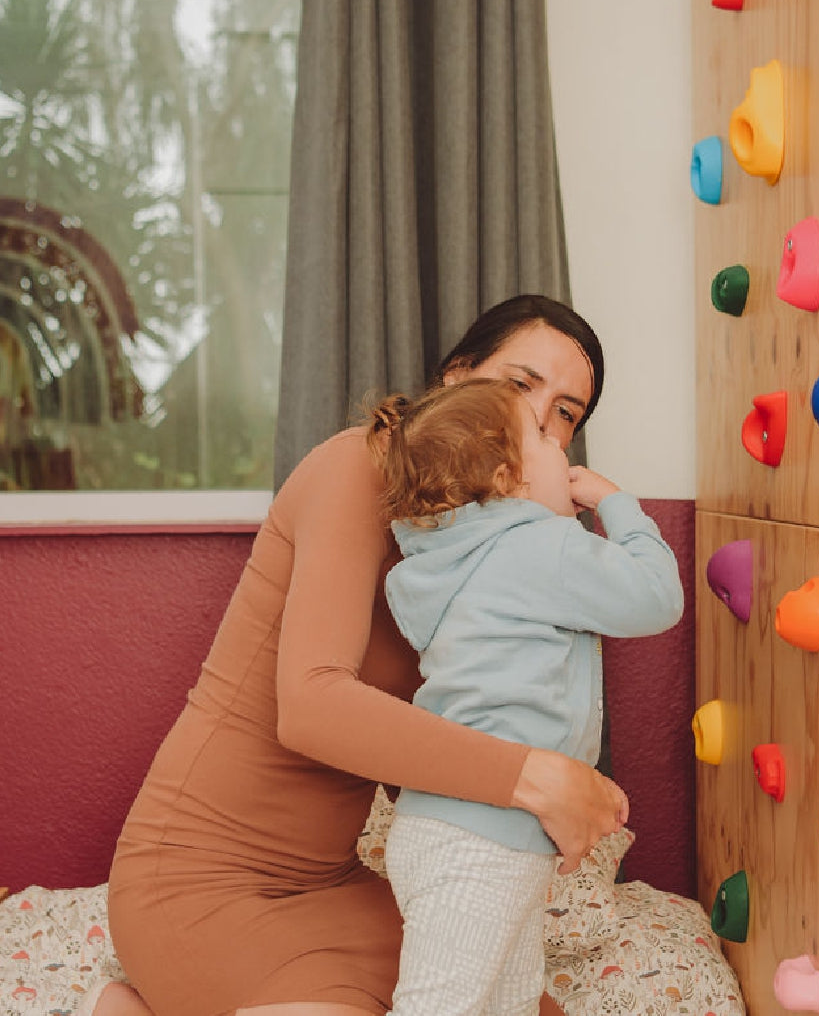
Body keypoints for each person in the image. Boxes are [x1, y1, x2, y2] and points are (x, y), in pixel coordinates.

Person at [97, 295, 634, 1016]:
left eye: (566, 412)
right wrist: (535, 779)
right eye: (519, 384)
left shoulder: (486, 545)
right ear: (455, 380)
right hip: (200, 881)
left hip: (327, 885)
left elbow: (441, 732)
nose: (540, 420)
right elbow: (313, 707)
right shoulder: (358, 465)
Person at [368, 378, 683, 1015]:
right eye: (543, 433)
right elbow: (656, 599)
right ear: (511, 477)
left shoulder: (446, 561)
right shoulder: (539, 545)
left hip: (455, 829)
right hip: (480, 841)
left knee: (507, 1000)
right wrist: (617, 506)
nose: (562, 442)